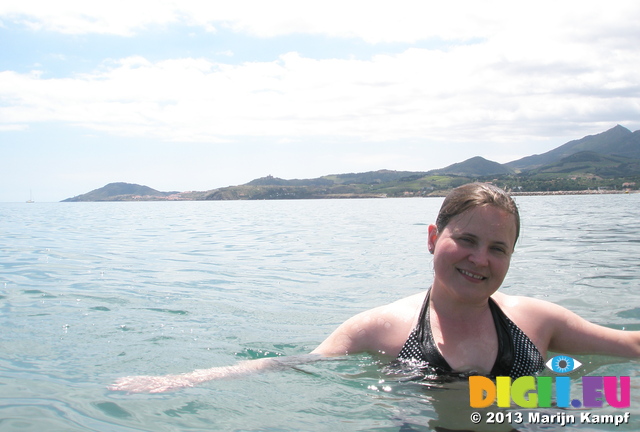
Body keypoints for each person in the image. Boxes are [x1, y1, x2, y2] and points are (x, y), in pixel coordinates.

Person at [109, 183, 640, 393]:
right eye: (466, 240)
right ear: (433, 238)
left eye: (497, 249)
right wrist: (188, 379)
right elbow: (291, 364)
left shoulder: (539, 322)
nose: (481, 259)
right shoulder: (380, 328)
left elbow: (631, 347)